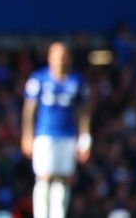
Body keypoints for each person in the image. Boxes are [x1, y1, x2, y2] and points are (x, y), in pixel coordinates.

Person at [21, 42, 92, 218]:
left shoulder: (77, 81)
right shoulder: (39, 79)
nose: (60, 61)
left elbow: (84, 111)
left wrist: (85, 137)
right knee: (44, 177)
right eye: (56, 57)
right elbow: (29, 109)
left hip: (68, 136)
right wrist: (27, 136)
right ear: (49, 58)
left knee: (64, 179)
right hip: (45, 135)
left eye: (63, 57)